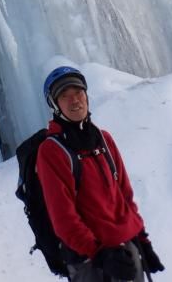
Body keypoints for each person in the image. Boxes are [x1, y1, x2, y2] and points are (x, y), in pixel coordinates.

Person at [36, 66, 165, 282]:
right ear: (55, 105)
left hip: (126, 249)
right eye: (65, 96)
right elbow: (63, 218)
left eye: (78, 93)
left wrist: (143, 241)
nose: (75, 100)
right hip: (89, 260)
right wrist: (99, 254)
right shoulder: (52, 151)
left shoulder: (104, 139)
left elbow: (124, 196)